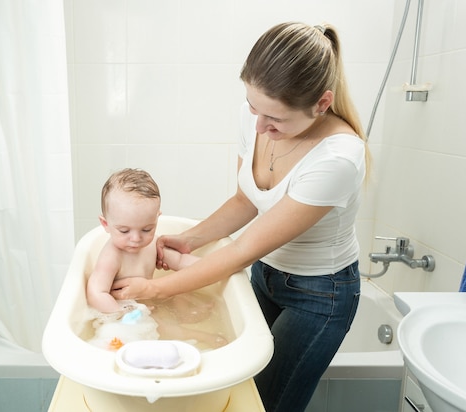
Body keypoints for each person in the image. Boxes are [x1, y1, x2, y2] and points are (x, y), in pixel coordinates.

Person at [111, 22, 368, 412]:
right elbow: (245, 200)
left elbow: (244, 248)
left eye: (274, 120)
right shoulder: (257, 116)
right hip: (264, 277)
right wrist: (190, 239)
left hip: (320, 296)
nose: (260, 126)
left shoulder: (338, 158)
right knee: (238, 389)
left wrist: (158, 290)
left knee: (267, 403)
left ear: (321, 103)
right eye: (253, 107)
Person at [86, 168, 226, 348]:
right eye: (124, 231)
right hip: (128, 314)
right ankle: (198, 336)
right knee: (162, 327)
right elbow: (96, 292)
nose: (136, 239)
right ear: (106, 224)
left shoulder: (152, 245)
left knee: (180, 286)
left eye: (146, 229)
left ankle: (184, 313)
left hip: (150, 301)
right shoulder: (112, 256)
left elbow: (181, 262)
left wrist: (214, 266)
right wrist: (121, 312)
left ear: (157, 218)